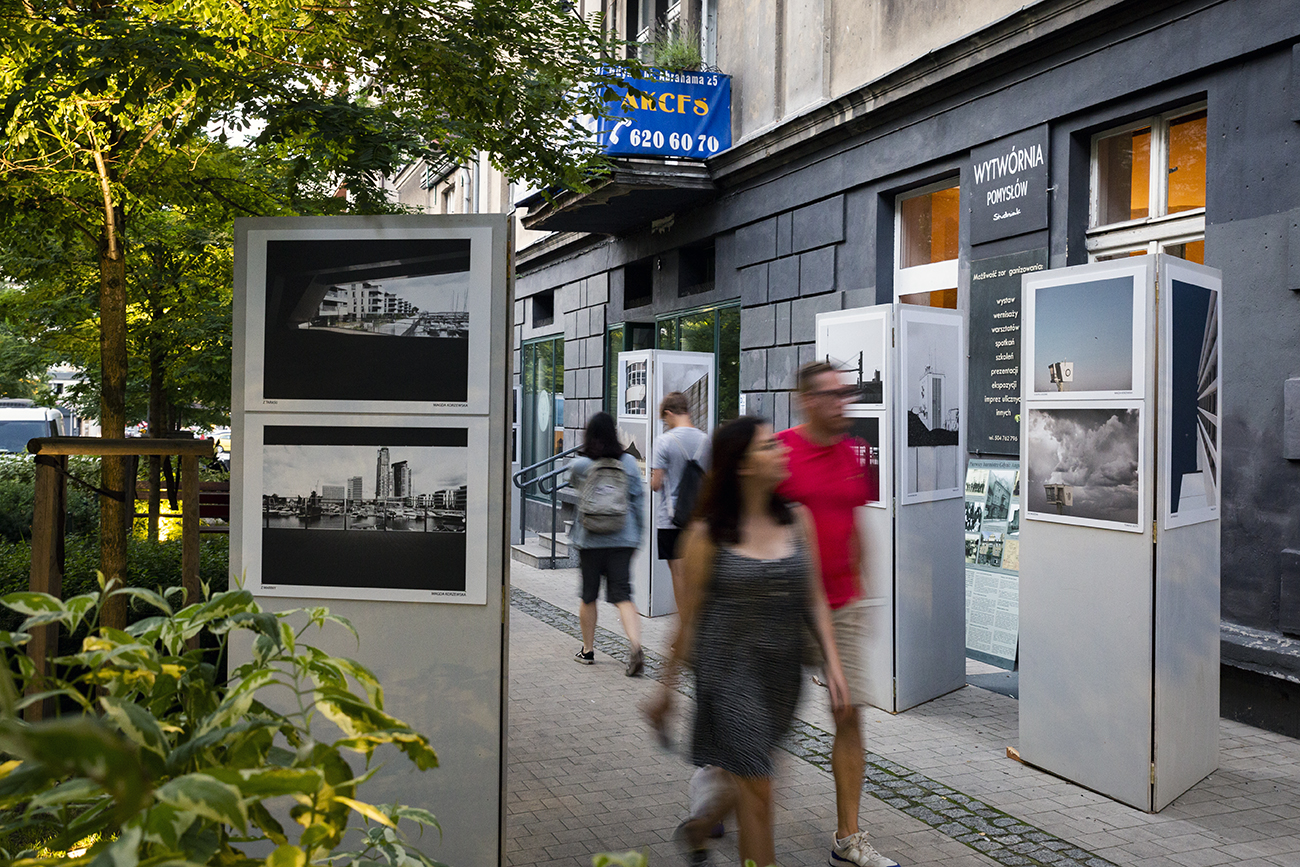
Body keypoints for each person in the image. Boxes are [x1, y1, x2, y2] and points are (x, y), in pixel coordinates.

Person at [645, 416, 849, 867]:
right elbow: (687, 621)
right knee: (760, 785)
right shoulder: (706, 535)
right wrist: (665, 689)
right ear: (742, 464)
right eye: (769, 446)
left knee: (753, 775)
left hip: (782, 673)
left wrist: (833, 666)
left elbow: (814, 598)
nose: (782, 450)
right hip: (726, 673)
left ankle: (700, 828)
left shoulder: (797, 519)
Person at [776, 362, 897, 867]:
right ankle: (717, 786)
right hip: (785, 607)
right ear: (807, 400)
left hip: (841, 606)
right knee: (762, 718)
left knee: (849, 714)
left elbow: (855, 523)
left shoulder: (851, 452)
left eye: (847, 393)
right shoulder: (780, 453)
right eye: (832, 395)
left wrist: (865, 592)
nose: (843, 402)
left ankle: (847, 838)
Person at [567, 411, 647, 676]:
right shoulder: (629, 463)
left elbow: (575, 489)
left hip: (589, 539)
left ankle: (588, 650)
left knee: (589, 595)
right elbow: (637, 500)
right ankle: (635, 646)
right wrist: (637, 538)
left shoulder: (581, 465)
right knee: (623, 595)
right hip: (622, 538)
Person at [650, 391, 710, 603]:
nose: (666, 423)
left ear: (669, 413)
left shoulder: (664, 441)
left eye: (664, 419)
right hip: (699, 518)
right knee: (697, 573)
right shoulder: (706, 440)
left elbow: (656, 484)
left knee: (678, 574)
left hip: (671, 519)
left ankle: (686, 618)